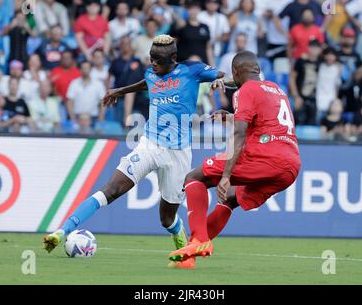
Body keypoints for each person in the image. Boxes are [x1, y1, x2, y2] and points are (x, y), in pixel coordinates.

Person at [43, 35, 227, 270]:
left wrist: (219, 80)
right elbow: (145, 82)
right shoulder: (152, 72)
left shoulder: (192, 71)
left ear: (173, 58)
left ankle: (180, 241)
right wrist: (120, 90)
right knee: (110, 189)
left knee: (167, 218)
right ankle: (61, 231)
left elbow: (225, 76)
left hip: (178, 154)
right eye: (151, 60)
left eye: (158, 61)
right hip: (149, 145)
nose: (153, 65)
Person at [168, 51, 300, 268]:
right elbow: (260, 122)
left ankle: (200, 240)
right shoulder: (277, 90)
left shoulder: (246, 90)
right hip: (291, 165)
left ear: (237, 72)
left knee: (194, 177)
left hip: (266, 157)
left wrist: (227, 175)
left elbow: (239, 134)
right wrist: (230, 116)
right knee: (229, 198)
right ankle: (190, 254)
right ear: (257, 69)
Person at [289, 40, 322, 125]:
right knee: (296, 123)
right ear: (308, 48)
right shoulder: (300, 61)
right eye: (312, 47)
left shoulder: (321, 62)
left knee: (312, 125)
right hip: (300, 98)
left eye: (316, 47)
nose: (314, 49)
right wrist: (296, 96)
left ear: (320, 49)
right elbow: (292, 78)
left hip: (315, 100)